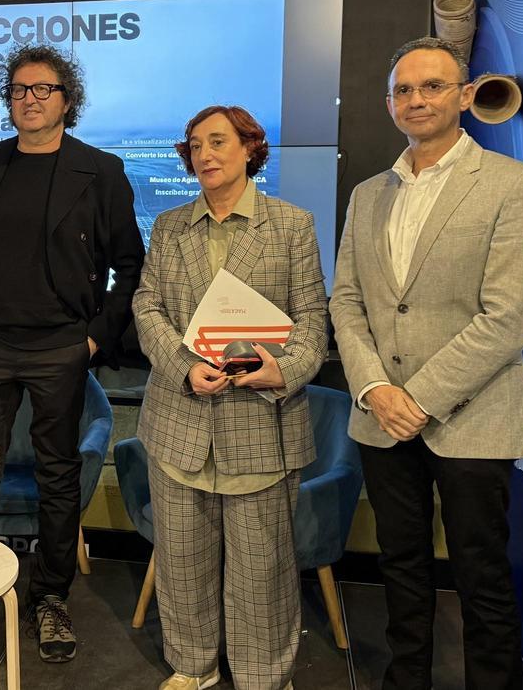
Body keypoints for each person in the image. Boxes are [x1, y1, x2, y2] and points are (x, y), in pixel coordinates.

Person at [329, 36, 523, 690]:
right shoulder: (369, 194)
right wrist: (373, 386)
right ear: (389, 103)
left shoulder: (516, 186)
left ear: (462, 96)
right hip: (381, 418)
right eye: (403, 89)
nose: (416, 100)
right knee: (401, 568)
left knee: (480, 576)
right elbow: (347, 299)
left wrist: (417, 398)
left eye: (431, 87)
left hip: (473, 418)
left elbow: (509, 315)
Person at [0, 44, 143, 666]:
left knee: (57, 475)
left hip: (61, 345)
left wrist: (96, 336)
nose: (29, 98)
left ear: (66, 100)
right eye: (19, 89)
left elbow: (130, 265)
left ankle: (50, 597)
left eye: (42, 89)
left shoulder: (99, 170)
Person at [133, 104, 327, 690]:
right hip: (179, 422)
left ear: (250, 148)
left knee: (261, 571)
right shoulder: (169, 227)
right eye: (195, 146)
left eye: (218, 142)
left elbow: (314, 322)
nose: (205, 155)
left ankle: (264, 677)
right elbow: (147, 307)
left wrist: (282, 371)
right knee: (183, 564)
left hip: (261, 423)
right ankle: (193, 667)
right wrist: (184, 367)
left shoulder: (291, 225)